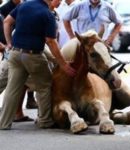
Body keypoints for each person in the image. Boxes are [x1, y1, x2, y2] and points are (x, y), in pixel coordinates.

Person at [0, 0, 75, 130]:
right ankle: (45, 121)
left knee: (12, 89)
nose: (60, 1)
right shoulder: (48, 14)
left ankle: (3, 123)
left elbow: (7, 21)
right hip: (33, 56)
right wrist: (63, 64)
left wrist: (9, 43)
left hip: (15, 54)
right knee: (45, 86)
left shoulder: (24, 5)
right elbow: (51, 42)